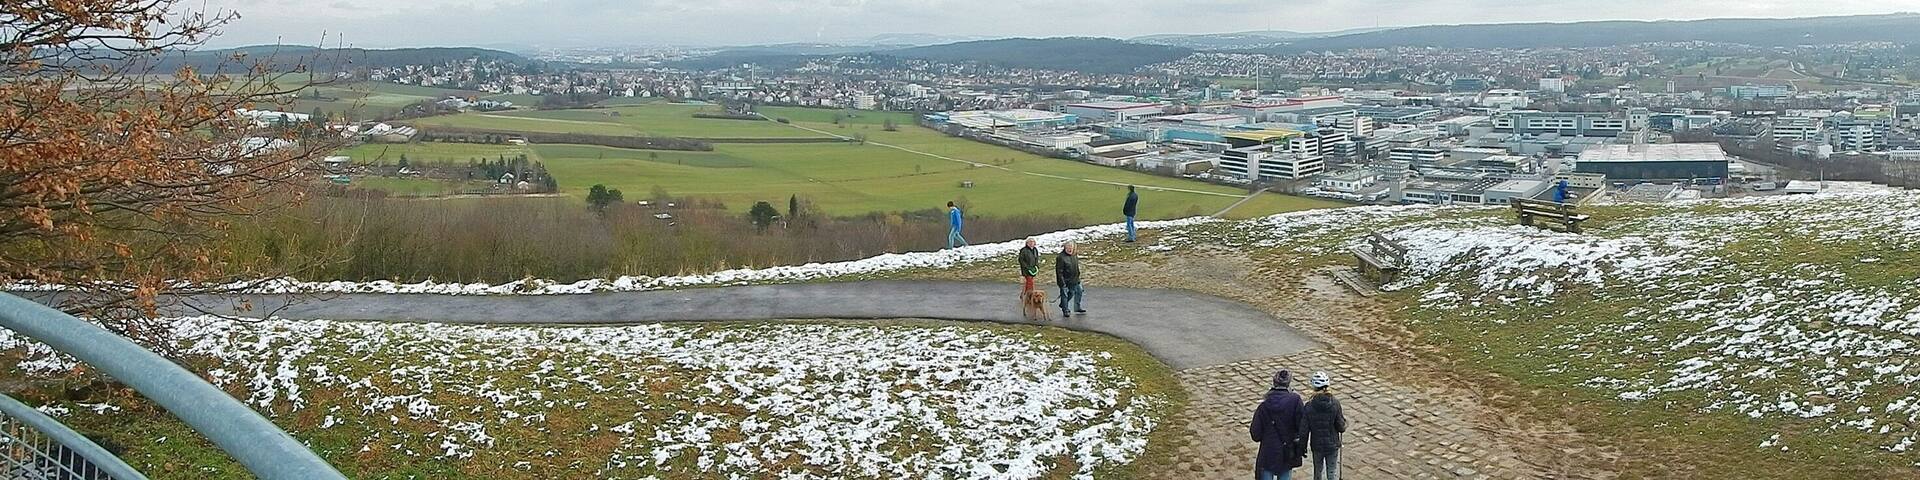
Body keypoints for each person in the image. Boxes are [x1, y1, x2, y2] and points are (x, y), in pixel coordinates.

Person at [1250, 369, 1307, 480]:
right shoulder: (1295, 400)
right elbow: (1301, 426)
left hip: (1268, 452)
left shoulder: (1263, 407)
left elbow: (1255, 434)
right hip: (1287, 452)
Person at [1304, 372, 1346, 480]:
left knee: (1317, 473)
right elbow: (1340, 427)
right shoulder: (1335, 403)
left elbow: (1304, 430)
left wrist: (1301, 448)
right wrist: (1345, 424)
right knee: (1331, 472)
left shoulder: (1309, 406)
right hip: (1332, 445)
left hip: (1317, 446)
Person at [1054, 242, 1083, 317]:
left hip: (1074, 279)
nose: (1070, 249)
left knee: (1072, 293)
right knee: (1065, 295)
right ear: (1065, 248)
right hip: (1065, 280)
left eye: (1071, 248)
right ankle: (1065, 310)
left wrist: (1078, 277)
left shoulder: (1074, 255)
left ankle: (1064, 305)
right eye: (1068, 248)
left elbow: (1076, 267)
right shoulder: (1061, 257)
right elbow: (1059, 272)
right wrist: (1062, 283)